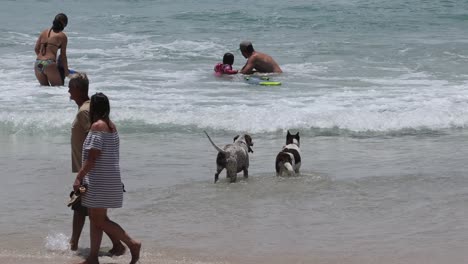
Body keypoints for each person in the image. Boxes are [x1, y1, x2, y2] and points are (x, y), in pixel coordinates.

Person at [73, 92, 141, 264]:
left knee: (98, 219)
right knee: (97, 219)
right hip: (110, 180)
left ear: (94, 108)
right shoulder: (112, 126)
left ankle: (132, 243)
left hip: (98, 182)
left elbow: (92, 158)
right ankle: (93, 258)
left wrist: (79, 177)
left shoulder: (97, 127)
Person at [68, 73, 125, 256]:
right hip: (92, 173)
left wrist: (82, 175)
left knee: (83, 211)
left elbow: (95, 146)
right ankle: (116, 246)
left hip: (92, 175)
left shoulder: (86, 112)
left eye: (70, 87)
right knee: (96, 215)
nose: (68, 91)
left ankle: (74, 246)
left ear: (78, 89)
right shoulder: (86, 110)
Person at [34, 13, 69, 86]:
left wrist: (43, 60)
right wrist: (66, 71)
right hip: (49, 63)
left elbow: (36, 49)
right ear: (63, 24)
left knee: (45, 91)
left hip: (38, 64)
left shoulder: (44, 32)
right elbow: (63, 56)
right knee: (58, 90)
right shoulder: (62, 36)